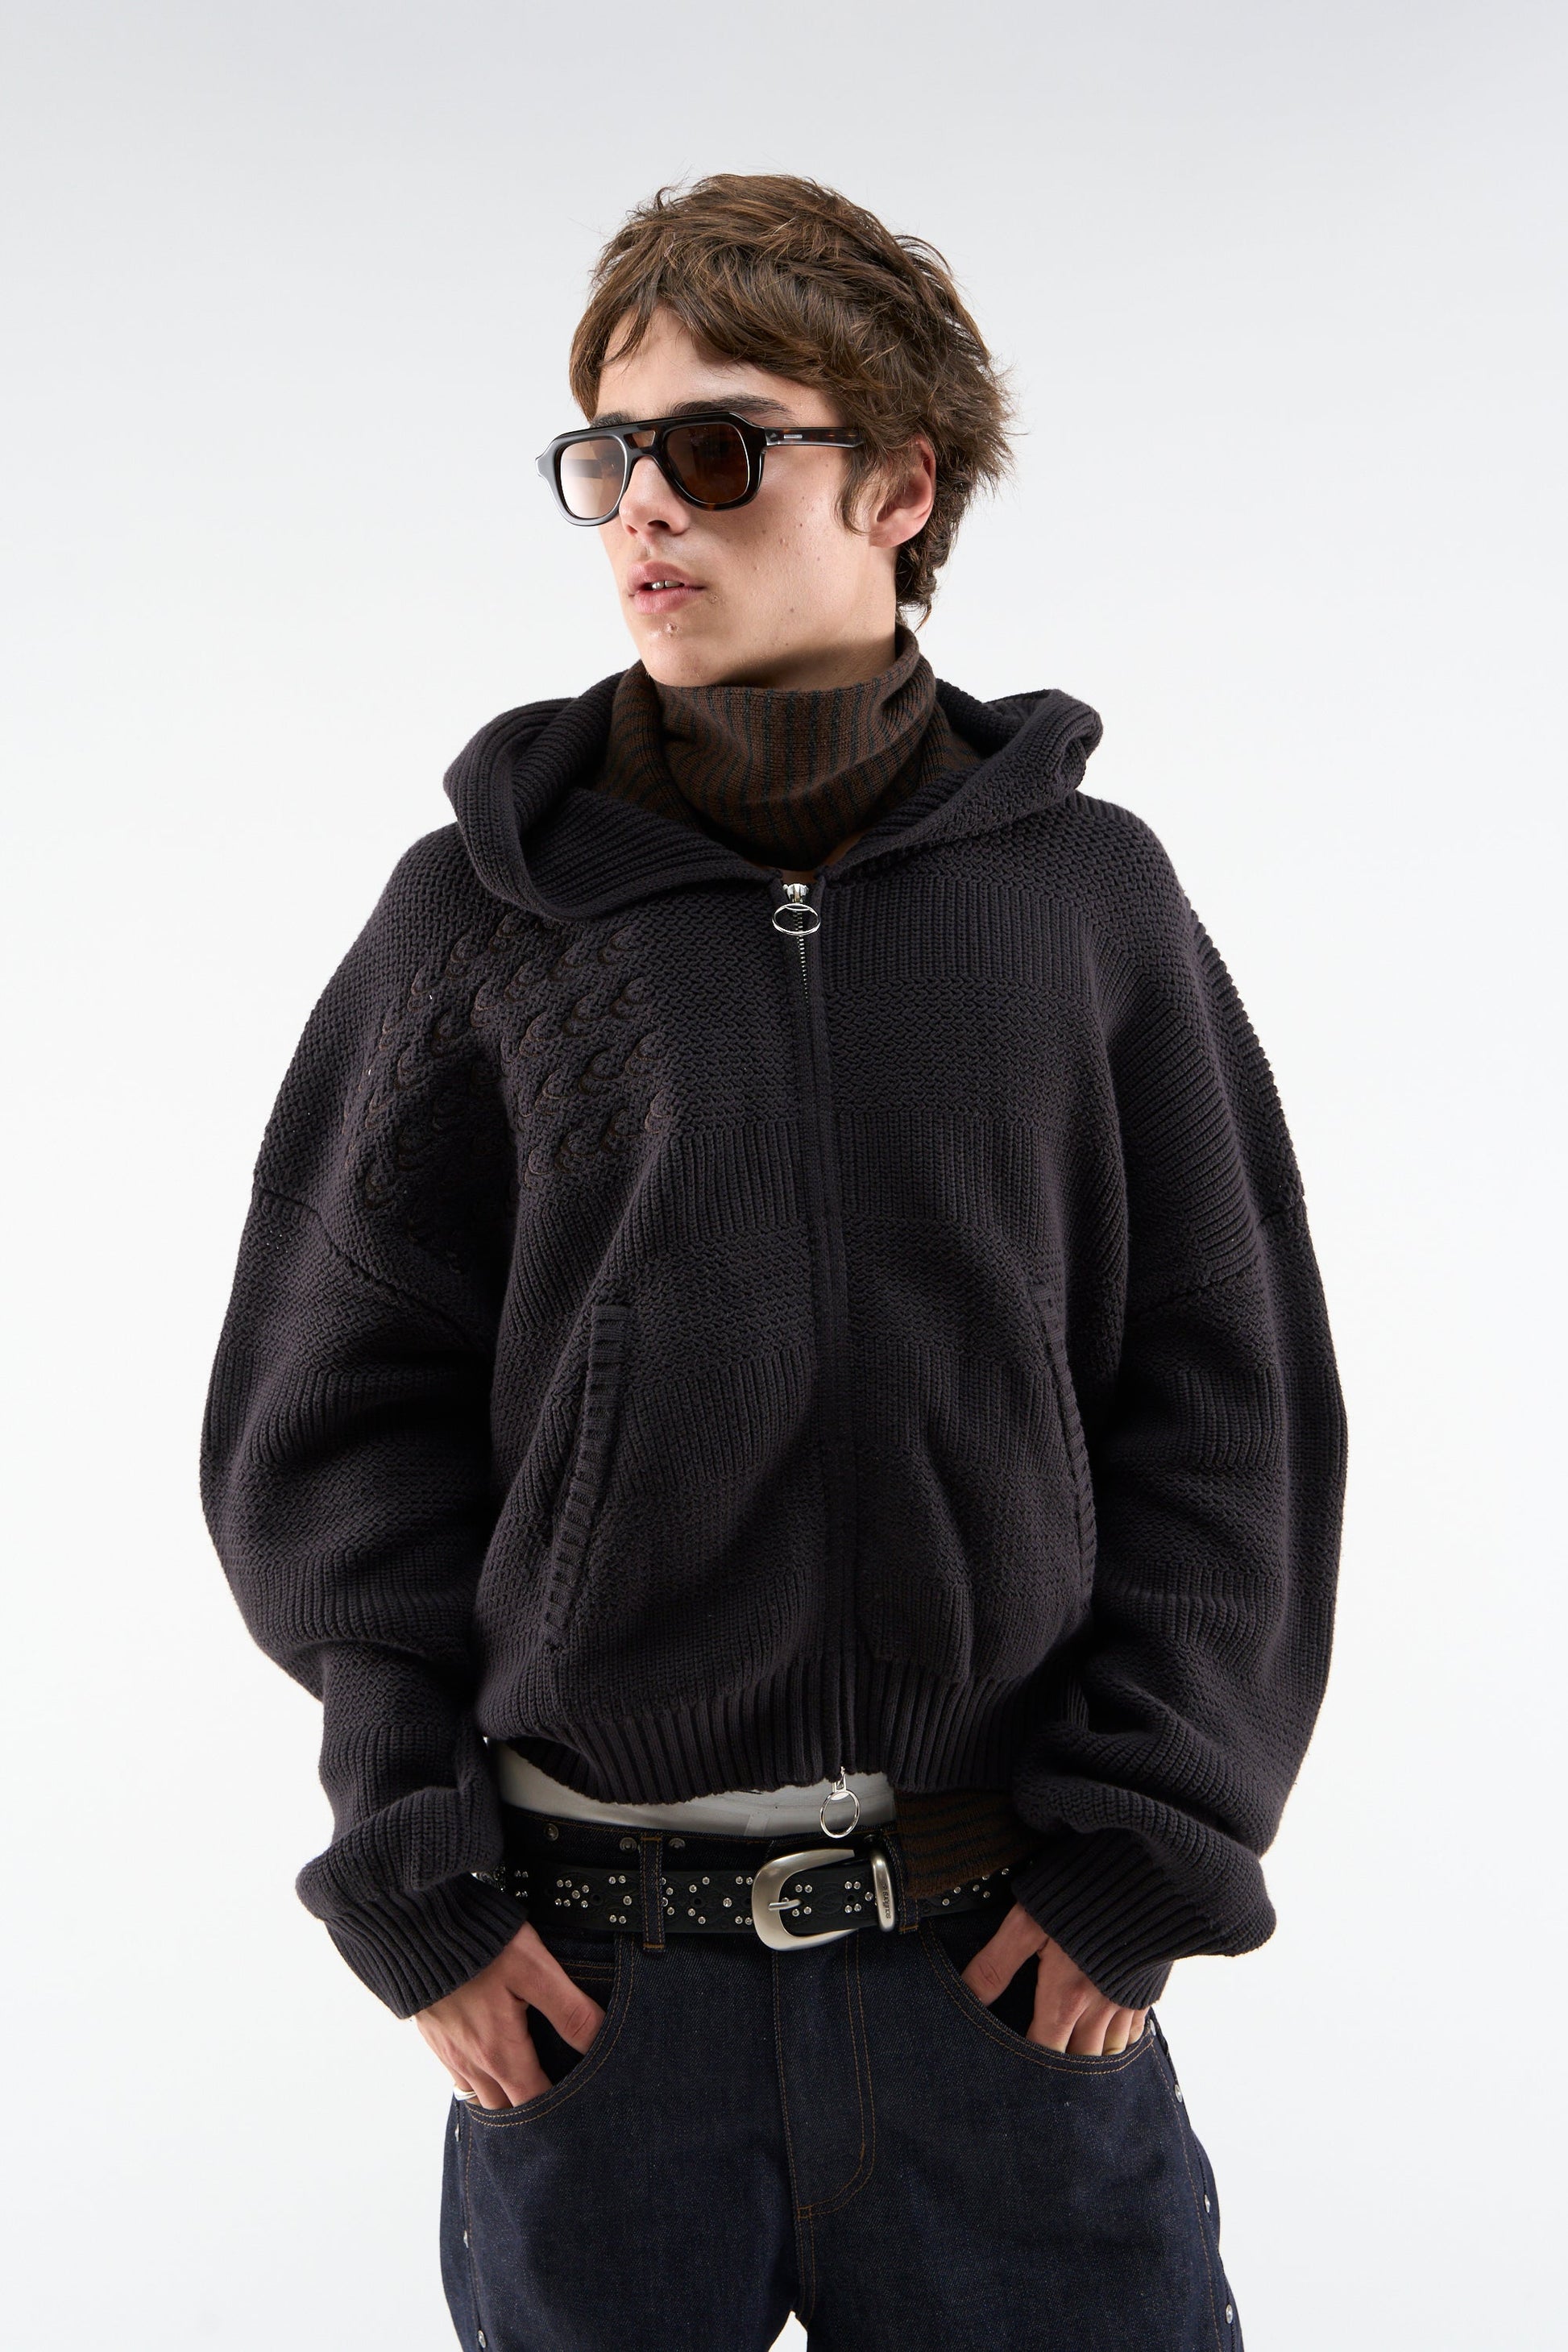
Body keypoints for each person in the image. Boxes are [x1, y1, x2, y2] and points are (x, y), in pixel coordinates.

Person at [201, 173, 1348, 2351]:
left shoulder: (1084, 906)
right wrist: (419, 1881)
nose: (645, 507)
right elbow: (329, 1431)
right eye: (608, 456)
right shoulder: (479, 921)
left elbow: (1228, 1405)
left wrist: (1147, 1849)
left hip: (1003, 1981)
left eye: (716, 450)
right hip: (592, 2003)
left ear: (899, 488)